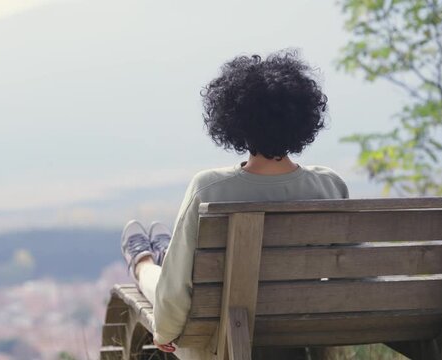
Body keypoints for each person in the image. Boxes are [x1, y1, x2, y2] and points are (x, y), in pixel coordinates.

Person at [120, 50, 349, 360]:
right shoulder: (330, 186)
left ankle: (143, 261)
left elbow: (174, 293)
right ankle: (159, 252)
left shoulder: (210, 189)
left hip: (220, 342)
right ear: (303, 120)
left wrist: (163, 331)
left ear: (233, 121)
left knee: (160, 277)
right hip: (298, 334)